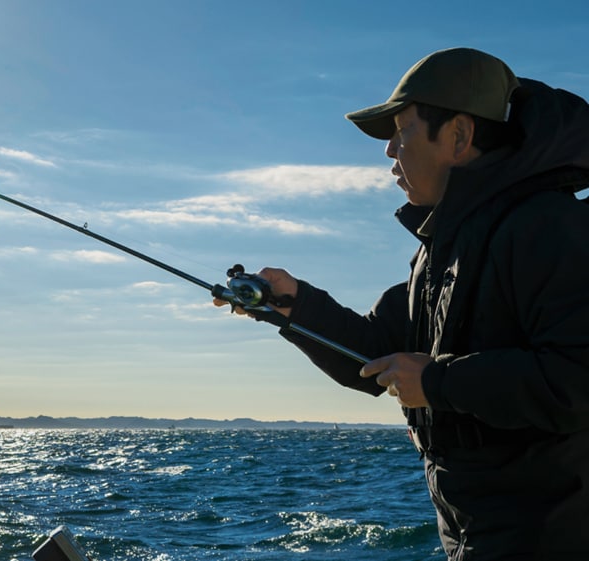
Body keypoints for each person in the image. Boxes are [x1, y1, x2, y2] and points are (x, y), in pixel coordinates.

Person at [216, 47, 589, 560]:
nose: (390, 151)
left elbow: (577, 377)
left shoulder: (551, 228)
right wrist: (293, 307)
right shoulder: (438, 249)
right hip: (476, 537)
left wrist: (437, 381)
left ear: (458, 136)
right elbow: (377, 354)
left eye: (402, 131)